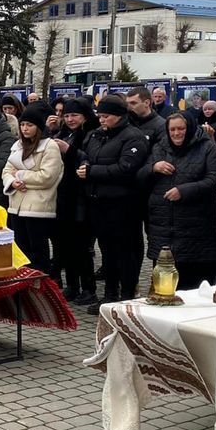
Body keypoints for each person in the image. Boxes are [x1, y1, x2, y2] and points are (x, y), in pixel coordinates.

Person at [138, 112, 216, 288]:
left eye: (181, 128)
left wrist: (184, 191)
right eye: (172, 129)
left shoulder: (206, 147)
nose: (176, 133)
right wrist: (153, 167)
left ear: (190, 128)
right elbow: (140, 176)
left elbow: (214, 180)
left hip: (196, 226)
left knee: (193, 282)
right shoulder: (159, 147)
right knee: (165, 281)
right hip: (163, 225)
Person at [77, 94, 148, 310]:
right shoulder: (97, 135)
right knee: (106, 251)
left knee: (125, 252)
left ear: (118, 115)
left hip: (123, 204)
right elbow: (86, 156)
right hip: (98, 202)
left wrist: (92, 171)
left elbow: (126, 168)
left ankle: (126, 294)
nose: (102, 120)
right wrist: (84, 166)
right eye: (100, 116)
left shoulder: (133, 137)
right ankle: (109, 294)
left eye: (106, 116)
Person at [1, 103, 63, 274]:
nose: (25, 128)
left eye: (29, 125)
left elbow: (47, 177)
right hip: (16, 205)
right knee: (21, 249)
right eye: (22, 124)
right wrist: (12, 182)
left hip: (38, 206)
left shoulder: (49, 146)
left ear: (38, 127)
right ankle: (24, 280)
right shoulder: (18, 145)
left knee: (38, 250)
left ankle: (41, 281)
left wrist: (20, 175)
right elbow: (6, 171)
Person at [53, 97, 98, 304]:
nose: (70, 119)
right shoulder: (62, 134)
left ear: (85, 116)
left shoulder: (91, 134)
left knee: (82, 247)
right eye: (67, 115)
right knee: (65, 245)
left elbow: (89, 159)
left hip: (82, 198)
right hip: (62, 196)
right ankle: (72, 285)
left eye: (75, 115)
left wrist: (69, 150)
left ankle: (88, 288)